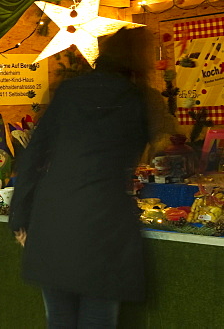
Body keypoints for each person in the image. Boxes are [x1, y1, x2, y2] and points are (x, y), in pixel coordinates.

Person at [9, 27, 152, 328]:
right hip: (104, 223)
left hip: (54, 220)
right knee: (98, 321)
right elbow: (136, 154)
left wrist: (19, 219)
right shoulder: (135, 99)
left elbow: (33, 155)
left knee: (59, 320)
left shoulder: (69, 92)